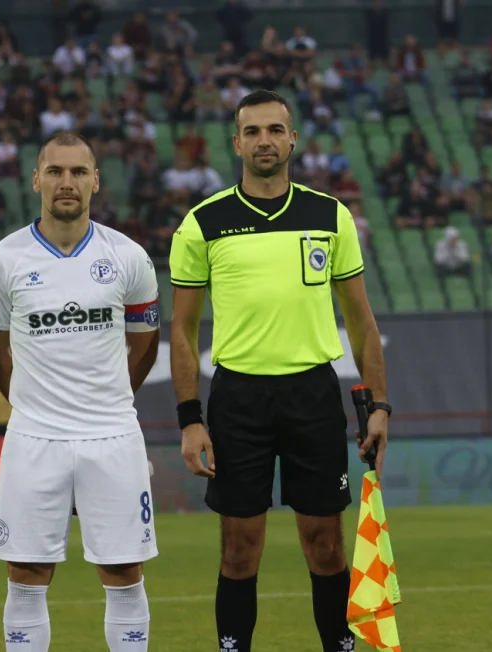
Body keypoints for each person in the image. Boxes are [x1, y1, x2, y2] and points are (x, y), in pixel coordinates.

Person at [169, 89, 390, 652]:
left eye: (275, 130)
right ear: (237, 141)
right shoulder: (204, 222)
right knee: (240, 547)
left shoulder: (329, 215)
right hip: (238, 398)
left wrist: (380, 405)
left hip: (312, 395)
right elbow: (183, 329)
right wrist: (190, 419)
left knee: (326, 544)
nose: (264, 140)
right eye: (253, 131)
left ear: (293, 138)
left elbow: (361, 321)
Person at [0, 131, 161, 652]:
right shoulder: (2, 260)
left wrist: (109, 400)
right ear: (36, 179)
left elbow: (145, 343)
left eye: (78, 172)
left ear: (96, 181)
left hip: (113, 434)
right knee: (27, 570)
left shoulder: (129, 257)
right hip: (34, 436)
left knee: (123, 568)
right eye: (55, 171)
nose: (66, 182)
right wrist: (31, 404)